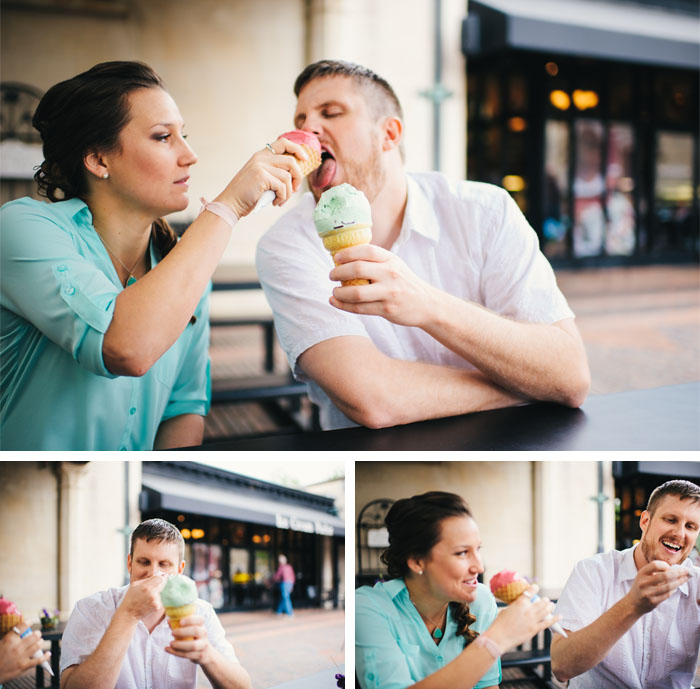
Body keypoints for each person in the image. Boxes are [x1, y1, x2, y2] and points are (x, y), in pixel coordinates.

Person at [256, 59, 590, 431]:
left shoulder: (484, 212)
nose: (306, 130)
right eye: (300, 120)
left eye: (330, 113)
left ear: (389, 134)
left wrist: (429, 306)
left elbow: (570, 374)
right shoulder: (287, 244)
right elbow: (375, 400)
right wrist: (527, 388)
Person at [0, 61, 307, 450]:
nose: (190, 155)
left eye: (184, 135)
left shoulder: (183, 264)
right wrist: (226, 208)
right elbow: (124, 348)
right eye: (163, 137)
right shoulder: (20, 228)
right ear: (98, 160)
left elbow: (183, 410)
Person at [355, 491, 558, 689]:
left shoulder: (481, 600)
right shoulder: (368, 608)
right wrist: (498, 639)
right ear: (417, 561)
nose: (479, 567)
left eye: (478, 549)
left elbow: (488, 686)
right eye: (462, 553)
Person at [59, 518, 251, 689]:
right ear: (130, 563)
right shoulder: (90, 609)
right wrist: (128, 614)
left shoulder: (201, 611)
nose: (153, 573)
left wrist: (207, 654)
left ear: (179, 570)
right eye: (144, 562)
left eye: (164, 564)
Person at [551, 479, 700, 688]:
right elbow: (561, 666)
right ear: (645, 521)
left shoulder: (698, 584)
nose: (679, 533)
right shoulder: (592, 571)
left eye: (690, 526)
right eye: (670, 520)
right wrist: (632, 606)